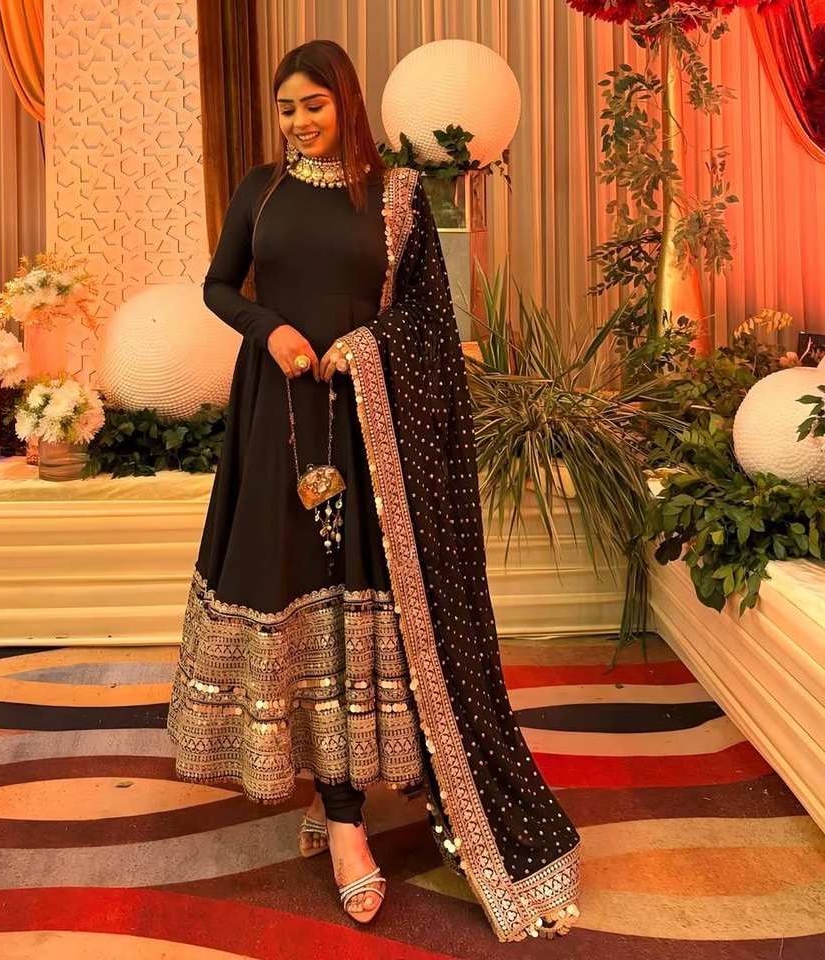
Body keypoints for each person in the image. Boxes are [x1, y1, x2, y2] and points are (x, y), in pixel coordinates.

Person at [166, 38, 581, 942]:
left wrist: (365, 348)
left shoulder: (395, 196)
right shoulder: (260, 191)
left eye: (313, 104)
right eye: (286, 107)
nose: (298, 121)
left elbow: (429, 317)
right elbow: (218, 286)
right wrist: (269, 329)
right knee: (297, 596)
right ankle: (338, 806)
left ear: (346, 102)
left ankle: (346, 812)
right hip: (278, 423)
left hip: (372, 436)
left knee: (361, 599)